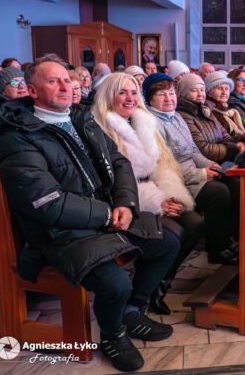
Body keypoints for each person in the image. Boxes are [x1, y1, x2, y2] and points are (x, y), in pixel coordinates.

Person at [0, 55, 177, 372]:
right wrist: (108, 214)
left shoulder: (81, 118)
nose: (65, 86)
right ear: (32, 91)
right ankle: (112, 335)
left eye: (67, 80)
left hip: (103, 217)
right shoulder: (20, 137)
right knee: (116, 284)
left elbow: (119, 162)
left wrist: (125, 204)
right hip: (59, 233)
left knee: (167, 243)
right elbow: (48, 202)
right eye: (53, 81)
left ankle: (131, 312)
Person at [91, 72, 206, 316]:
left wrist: (170, 195)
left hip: (150, 191)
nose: (130, 98)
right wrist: (155, 203)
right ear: (108, 96)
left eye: (134, 92)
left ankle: (160, 283)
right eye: (122, 92)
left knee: (193, 222)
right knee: (171, 234)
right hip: (123, 201)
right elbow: (111, 181)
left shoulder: (143, 121)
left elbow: (162, 166)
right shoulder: (101, 127)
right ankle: (141, 297)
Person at [144, 73, 241, 267]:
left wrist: (209, 165)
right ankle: (217, 249)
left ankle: (234, 238)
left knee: (232, 181)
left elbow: (194, 150)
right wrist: (201, 174)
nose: (169, 98)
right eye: (162, 94)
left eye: (171, 93)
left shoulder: (177, 116)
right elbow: (164, 166)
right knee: (217, 192)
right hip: (175, 181)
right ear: (150, 99)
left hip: (192, 171)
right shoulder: (151, 124)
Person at [176, 73, 245, 163]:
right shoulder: (184, 115)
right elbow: (203, 149)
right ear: (184, 93)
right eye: (194, 90)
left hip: (223, 159)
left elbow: (225, 135)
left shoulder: (206, 110)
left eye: (202, 90)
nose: (200, 94)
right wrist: (233, 149)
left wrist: (238, 144)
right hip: (209, 165)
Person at [205, 71, 245, 140]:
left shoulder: (228, 110)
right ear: (209, 93)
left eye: (226, 89)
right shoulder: (208, 111)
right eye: (219, 88)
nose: (224, 92)